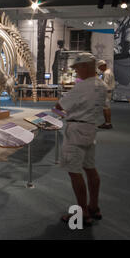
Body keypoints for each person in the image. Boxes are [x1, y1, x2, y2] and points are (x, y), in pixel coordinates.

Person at [53, 52, 107, 227]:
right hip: (91, 129)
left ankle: (82, 213)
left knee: (74, 171)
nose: (76, 72)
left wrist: (59, 114)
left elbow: (59, 107)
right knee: (90, 168)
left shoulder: (82, 87)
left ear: (84, 66)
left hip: (76, 131)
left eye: (77, 68)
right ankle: (94, 206)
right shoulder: (102, 85)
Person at [97, 60, 116, 129]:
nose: (99, 68)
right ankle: (107, 123)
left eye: (99, 67)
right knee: (106, 107)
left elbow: (104, 84)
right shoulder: (108, 72)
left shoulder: (106, 73)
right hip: (108, 92)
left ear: (103, 65)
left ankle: (108, 123)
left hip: (106, 92)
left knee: (106, 108)